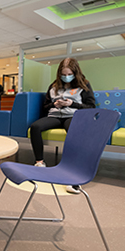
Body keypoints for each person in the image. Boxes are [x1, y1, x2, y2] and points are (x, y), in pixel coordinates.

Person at [28, 57, 95, 194]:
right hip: (55, 116)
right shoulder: (53, 86)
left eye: (69, 74)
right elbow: (45, 106)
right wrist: (54, 104)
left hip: (73, 116)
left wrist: (72, 104)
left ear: (75, 73)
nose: (66, 77)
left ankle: (74, 173)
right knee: (35, 127)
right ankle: (39, 162)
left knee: (74, 131)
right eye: (63, 75)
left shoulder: (84, 85)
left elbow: (91, 106)